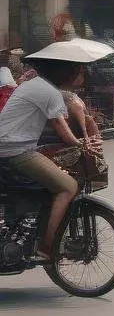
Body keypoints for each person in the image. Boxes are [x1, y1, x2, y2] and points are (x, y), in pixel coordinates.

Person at [0, 58, 86, 261]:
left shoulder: (35, 85)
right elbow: (59, 125)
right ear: (62, 72)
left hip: (13, 146)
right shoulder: (49, 91)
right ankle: (47, 248)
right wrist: (79, 144)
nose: (77, 74)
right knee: (68, 186)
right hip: (15, 150)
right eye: (75, 70)